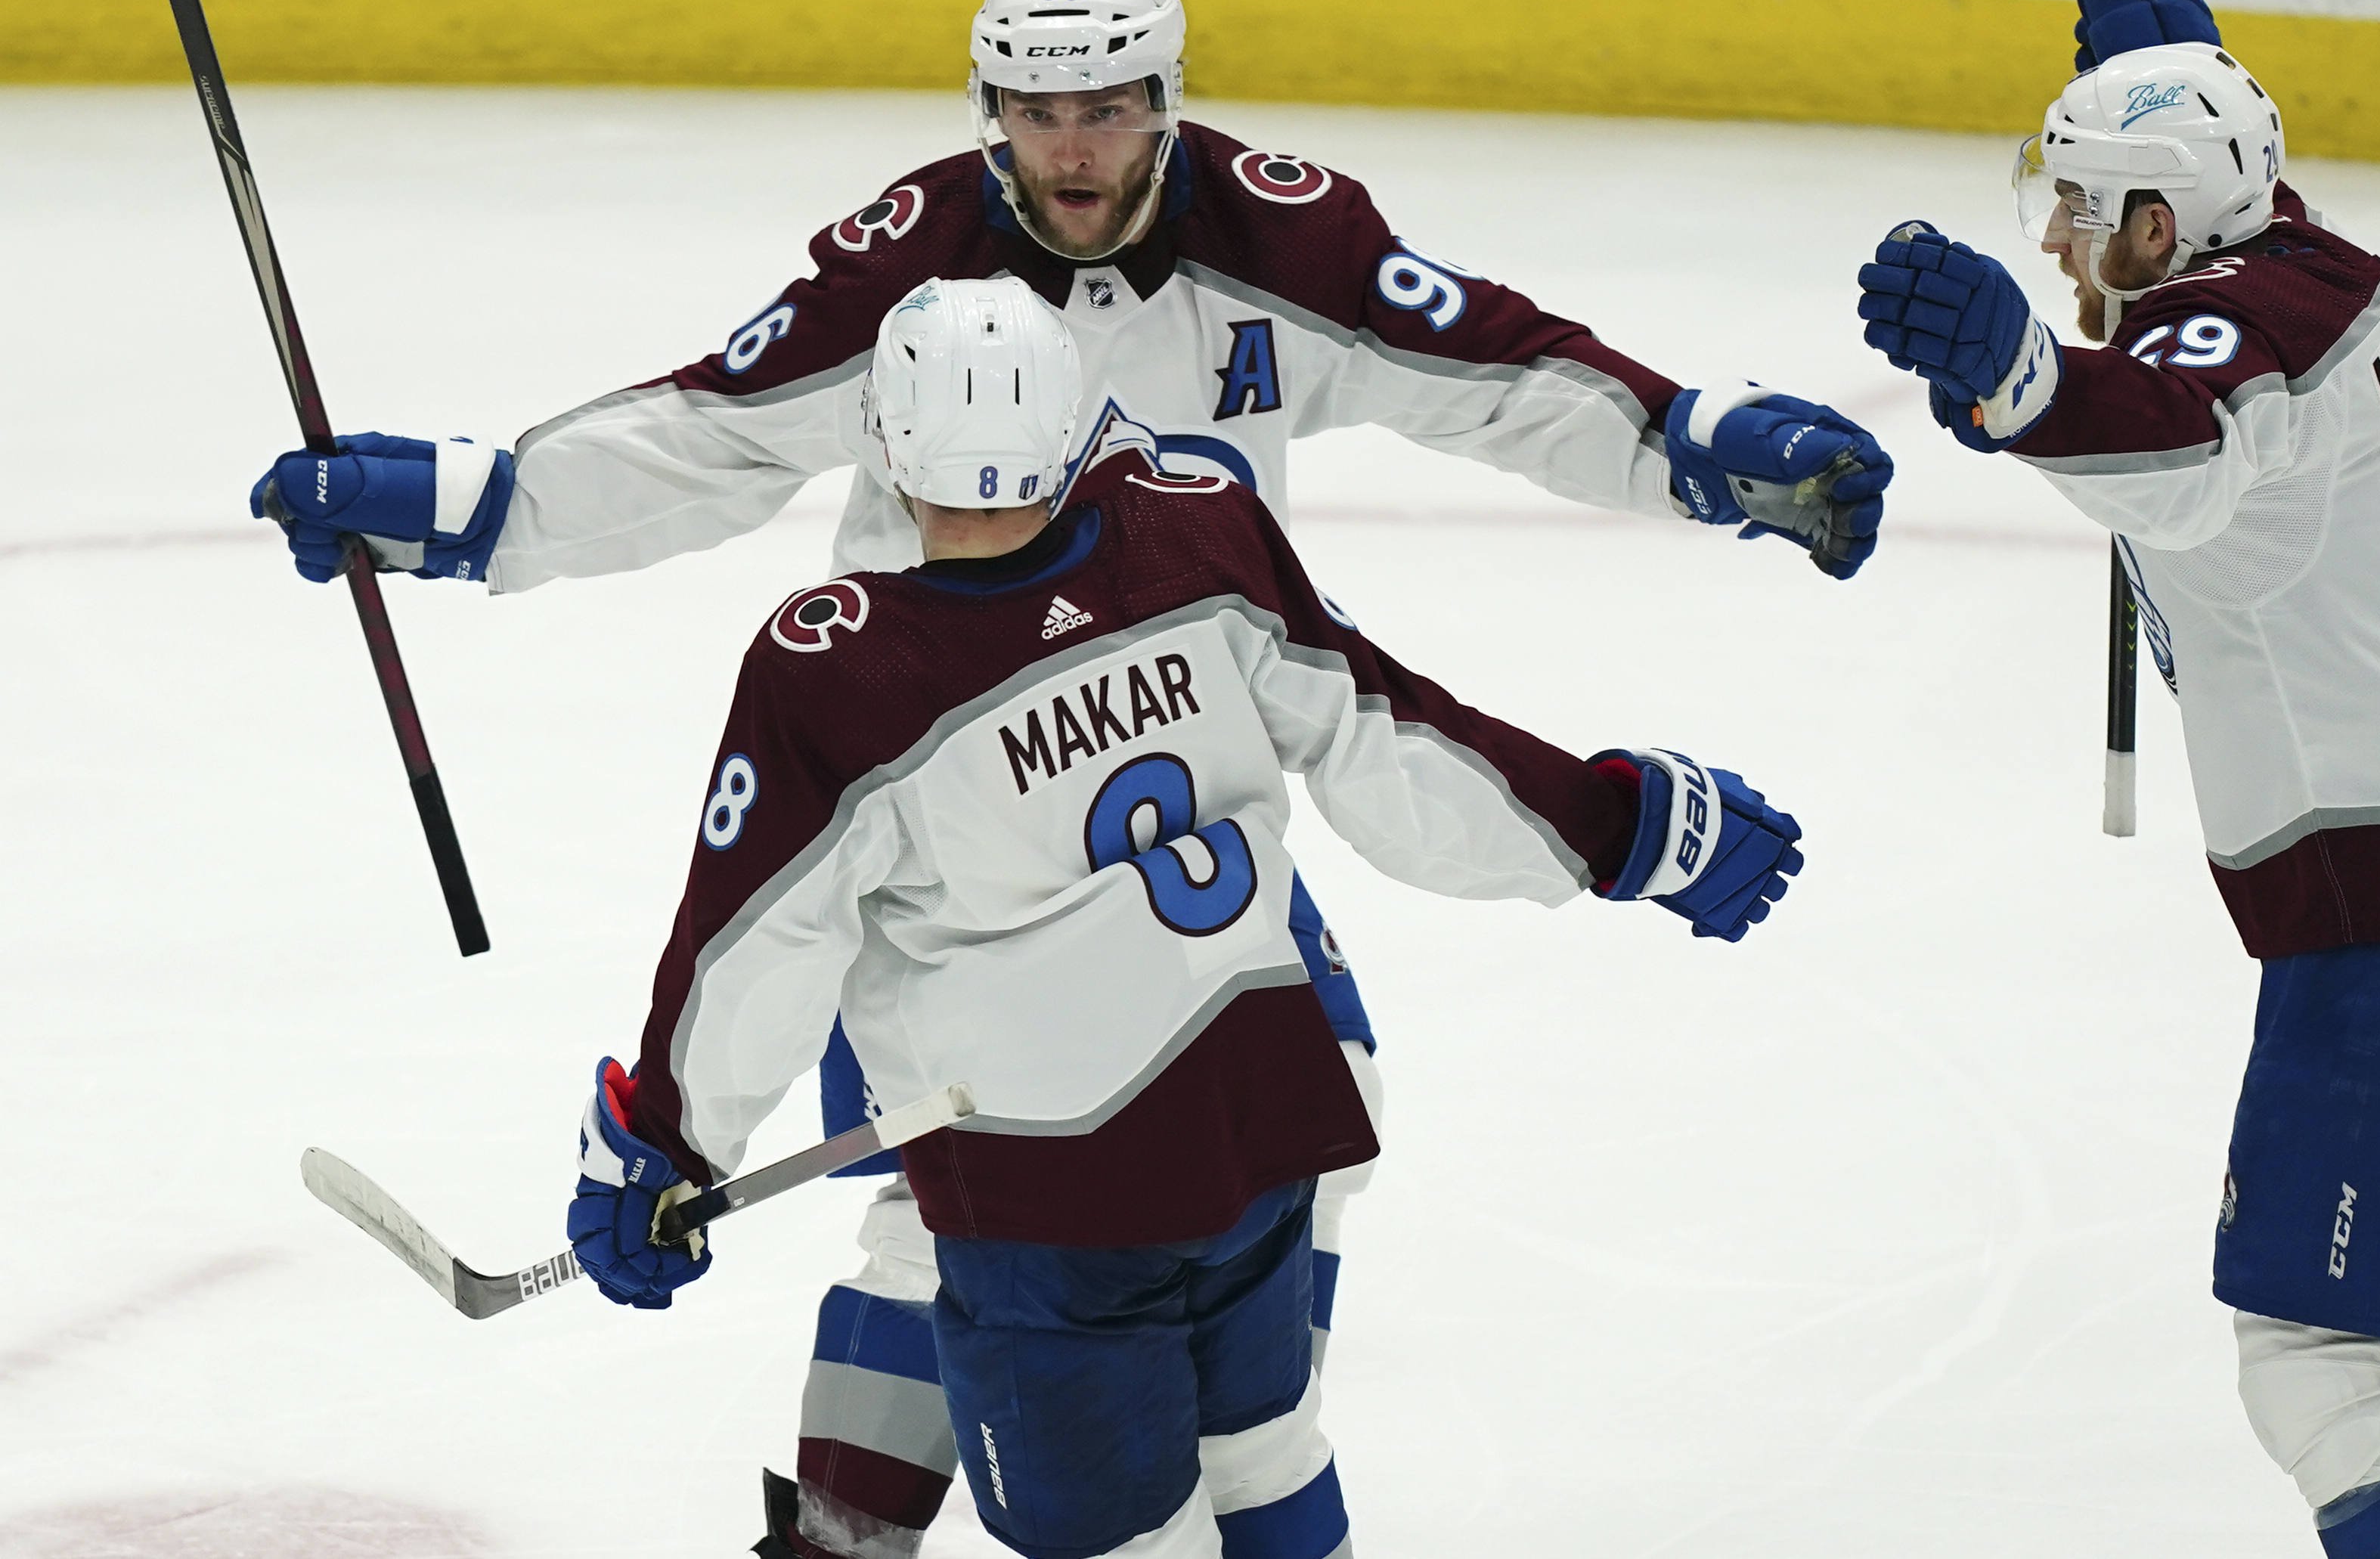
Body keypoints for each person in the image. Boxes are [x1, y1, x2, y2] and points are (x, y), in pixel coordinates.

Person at [246, 0, 1889, 1559]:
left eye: (1106, 106)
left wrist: (1688, 440)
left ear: (1166, 97)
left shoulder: (1277, 240)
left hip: (1156, 739)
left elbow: (1489, 369)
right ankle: (880, 1527)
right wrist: (481, 507)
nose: (1074, 145)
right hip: (946, 797)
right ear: (988, 114)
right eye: (1038, 114)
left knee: (1274, 1113)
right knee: (978, 1188)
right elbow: (710, 433)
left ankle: (1140, 1467)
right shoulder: (912, 268)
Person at [561, 277, 1803, 1559]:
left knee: (1123, 1535)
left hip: (1054, 1196)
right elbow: (1393, 743)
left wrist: (663, 1138)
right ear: (1080, 424)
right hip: (1260, 1125)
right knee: (1268, 1456)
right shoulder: (1196, 534)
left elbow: (759, 942)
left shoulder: (840, 669)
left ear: (881, 442)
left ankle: (844, 1534)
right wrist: (1618, 827)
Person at [1846, 0, 2380, 1559]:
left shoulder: (2225, 351)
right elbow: (2225, 314)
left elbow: (2178, 438)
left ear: (2161, 228)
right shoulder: (2315, 263)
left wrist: (2014, 381)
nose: (2056, 240)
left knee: (2319, 1361)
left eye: (2083, 209)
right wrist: (2167, 74)